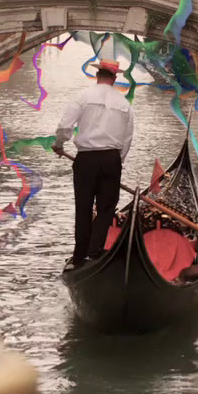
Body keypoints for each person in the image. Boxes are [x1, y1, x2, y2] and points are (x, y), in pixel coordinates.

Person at [53, 60, 135, 268]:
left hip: (87, 159)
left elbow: (65, 125)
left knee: (84, 207)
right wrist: (118, 160)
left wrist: (59, 144)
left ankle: (80, 257)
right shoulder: (124, 104)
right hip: (111, 160)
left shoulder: (83, 96)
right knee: (107, 208)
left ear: (97, 75)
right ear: (114, 79)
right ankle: (94, 251)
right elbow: (127, 138)